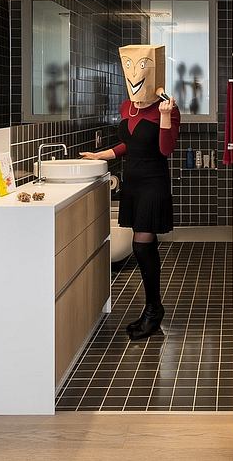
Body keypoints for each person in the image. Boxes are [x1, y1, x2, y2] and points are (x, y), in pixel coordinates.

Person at [81, 44, 180, 341]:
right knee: (142, 246)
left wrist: (164, 117)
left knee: (141, 245)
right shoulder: (128, 106)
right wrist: (104, 155)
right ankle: (153, 309)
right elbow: (131, 144)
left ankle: (153, 311)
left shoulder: (168, 108)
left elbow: (164, 149)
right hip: (133, 183)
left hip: (153, 182)